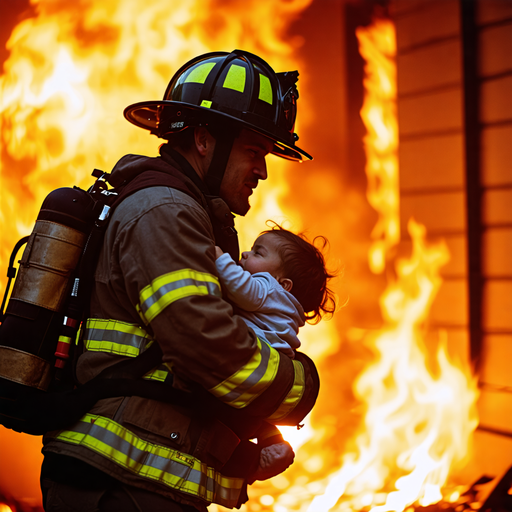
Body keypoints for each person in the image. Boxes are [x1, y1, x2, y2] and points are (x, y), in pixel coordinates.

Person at [40, 49, 320, 512]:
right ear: (206, 139)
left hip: (138, 474)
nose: (262, 170)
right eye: (254, 151)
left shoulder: (186, 212)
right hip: (122, 481)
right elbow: (204, 347)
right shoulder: (166, 212)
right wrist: (299, 387)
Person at [215, 223, 337, 359]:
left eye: (258, 253)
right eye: (251, 249)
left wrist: (220, 258)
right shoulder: (285, 309)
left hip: (248, 351)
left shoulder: (271, 289)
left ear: (283, 284)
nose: (245, 254)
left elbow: (241, 288)